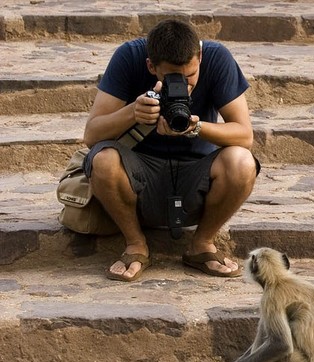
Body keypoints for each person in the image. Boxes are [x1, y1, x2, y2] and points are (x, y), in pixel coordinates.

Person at [81, 19, 258, 282]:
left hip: (196, 174)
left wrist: (196, 128)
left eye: (190, 76)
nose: (183, 85)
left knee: (242, 161)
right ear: (151, 66)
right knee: (103, 158)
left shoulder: (217, 57)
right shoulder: (129, 56)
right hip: (138, 173)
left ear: (200, 57)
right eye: (172, 77)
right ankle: (135, 245)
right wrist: (133, 112)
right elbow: (91, 135)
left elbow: (244, 135)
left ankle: (202, 244)